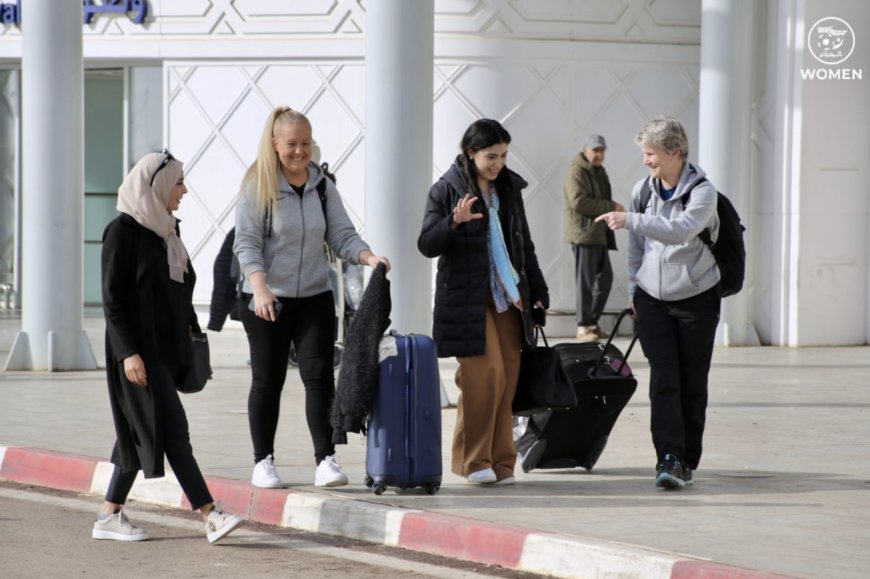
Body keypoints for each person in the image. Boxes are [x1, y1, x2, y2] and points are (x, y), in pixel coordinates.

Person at [234, 107, 390, 489]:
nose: (300, 151)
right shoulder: (258, 185)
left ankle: (326, 459)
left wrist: (369, 256)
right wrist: (260, 287)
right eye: (291, 144)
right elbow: (247, 243)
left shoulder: (322, 186)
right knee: (267, 382)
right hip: (267, 299)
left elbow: (342, 235)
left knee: (319, 378)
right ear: (275, 144)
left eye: (306, 143)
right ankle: (263, 461)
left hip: (315, 297)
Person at [97, 151, 244, 543]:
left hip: (164, 350)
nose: (184, 190)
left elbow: (179, 293)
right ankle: (210, 514)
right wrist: (128, 352)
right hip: (136, 353)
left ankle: (109, 515)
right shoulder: (122, 232)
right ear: (157, 185)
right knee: (173, 429)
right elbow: (111, 300)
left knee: (137, 429)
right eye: (178, 182)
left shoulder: (166, 232)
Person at [418, 118, 549, 485]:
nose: (499, 164)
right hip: (467, 300)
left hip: (508, 294)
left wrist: (538, 293)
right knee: (483, 376)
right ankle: (474, 461)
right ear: (470, 152)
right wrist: (454, 223)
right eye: (492, 156)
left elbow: (523, 245)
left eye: (504, 155)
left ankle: (503, 463)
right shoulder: (445, 189)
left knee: (507, 377)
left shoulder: (508, 189)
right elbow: (427, 243)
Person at [595, 116, 721, 490]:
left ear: (675, 153)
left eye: (651, 154)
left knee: (692, 381)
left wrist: (631, 219)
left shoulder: (703, 192)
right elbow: (637, 248)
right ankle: (668, 457)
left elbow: (681, 230)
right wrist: (635, 289)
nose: (646, 160)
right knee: (664, 380)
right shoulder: (642, 190)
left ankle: (687, 459)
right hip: (652, 299)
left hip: (697, 298)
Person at [563, 134, 624, 342]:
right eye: (595, 150)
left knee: (605, 279)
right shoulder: (577, 171)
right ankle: (583, 326)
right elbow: (578, 202)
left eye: (602, 150)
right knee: (585, 283)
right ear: (585, 149)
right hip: (584, 234)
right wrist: (611, 207)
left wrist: (612, 208)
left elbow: (600, 199)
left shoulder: (599, 171)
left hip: (598, 234)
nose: (599, 154)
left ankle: (592, 323)